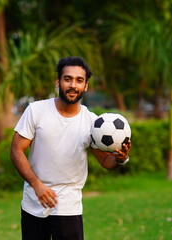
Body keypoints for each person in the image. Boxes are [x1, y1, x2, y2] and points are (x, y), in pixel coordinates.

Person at [10, 56, 131, 240]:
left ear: (86, 86)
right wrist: (36, 185)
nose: (73, 85)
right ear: (58, 82)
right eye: (68, 79)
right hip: (34, 201)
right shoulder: (36, 110)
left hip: (68, 205)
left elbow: (106, 161)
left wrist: (120, 159)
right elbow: (16, 151)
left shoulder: (92, 122)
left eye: (79, 80)